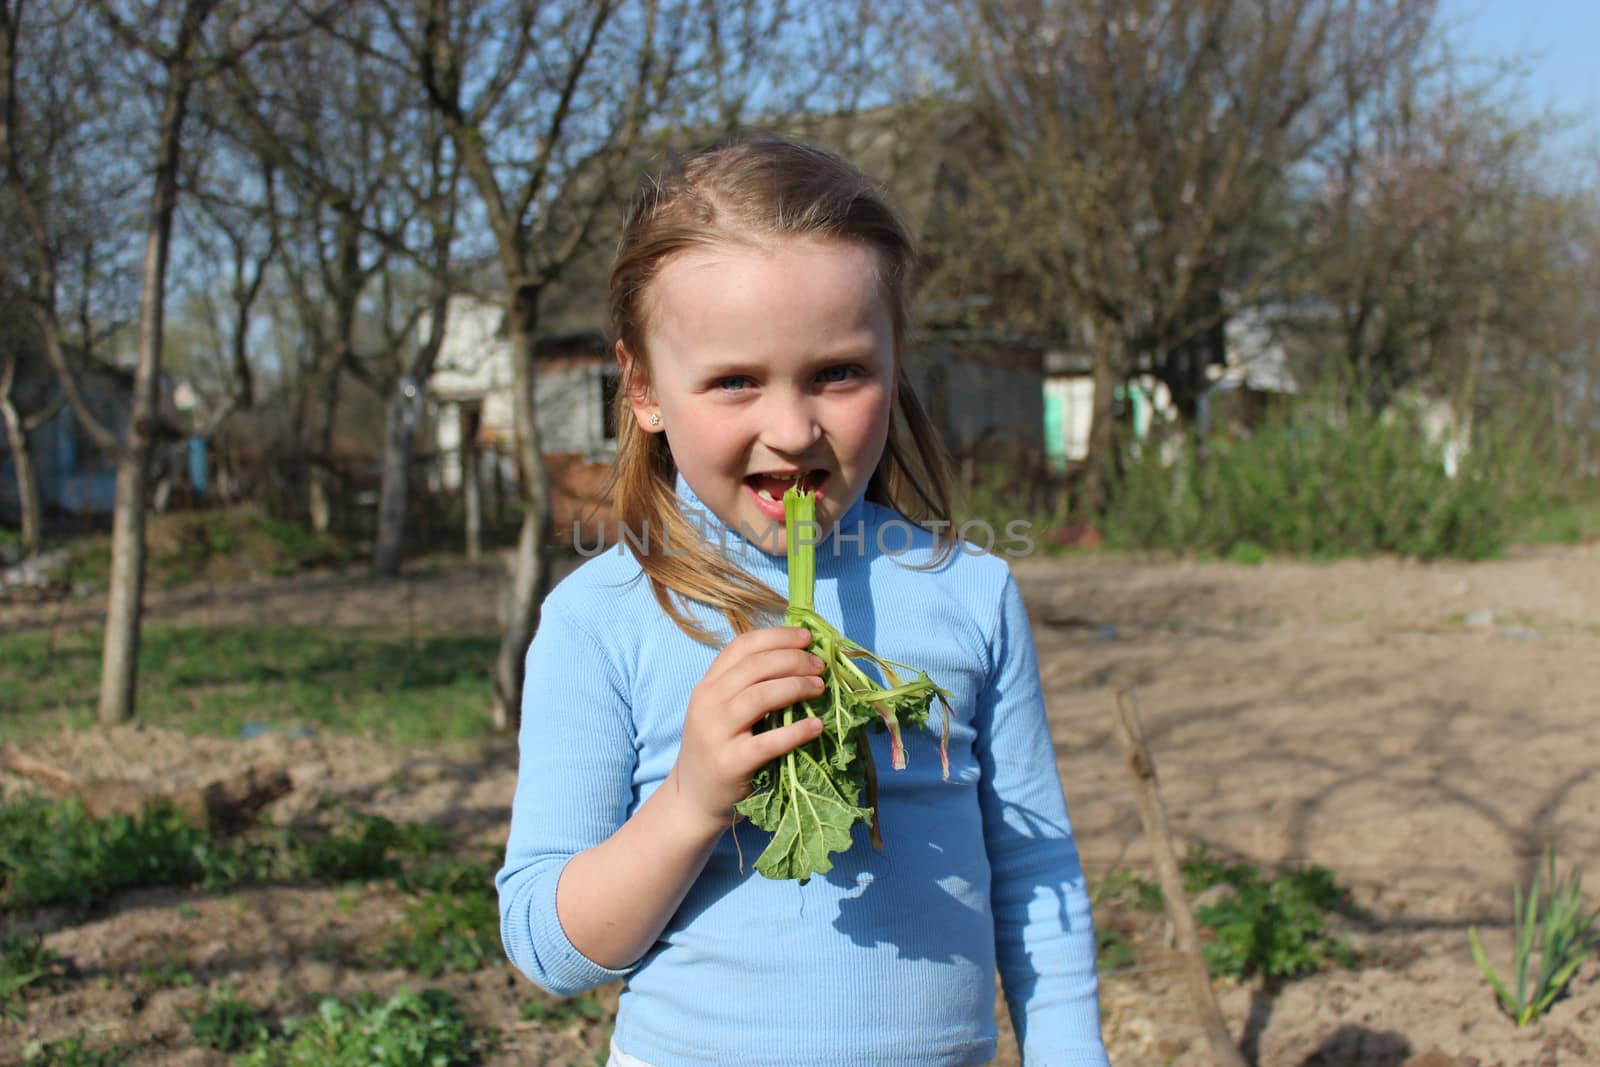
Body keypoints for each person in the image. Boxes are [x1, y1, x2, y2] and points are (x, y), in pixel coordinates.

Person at [496, 133, 1109, 1067]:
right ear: (645, 388)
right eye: (735, 380)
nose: (791, 428)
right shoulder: (601, 621)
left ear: (895, 364)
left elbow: (1034, 872)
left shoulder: (970, 593)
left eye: (838, 373)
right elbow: (548, 949)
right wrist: (692, 800)